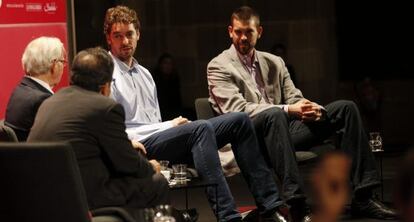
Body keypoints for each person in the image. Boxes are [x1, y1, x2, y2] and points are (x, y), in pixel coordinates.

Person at [207, 5, 397, 220]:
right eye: (238, 32)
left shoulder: (274, 62)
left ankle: (364, 197)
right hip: (249, 142)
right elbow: (238, 111)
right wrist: (289, 109)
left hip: (282, 133)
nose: (243, 37)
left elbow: (293, 97)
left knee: (345, 108)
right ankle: (297, 204)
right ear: (230, 31)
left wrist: (310, 108)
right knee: (275, 114)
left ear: (259, 32)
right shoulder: (219, 66)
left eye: (248, 32)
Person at [105, 5, 287, 222]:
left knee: (239, 120)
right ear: (108, 38)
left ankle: (270, 206)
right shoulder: (106, 74)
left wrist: (170, 128)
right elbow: (118, 131)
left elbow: (154, 121)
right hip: (137, 147)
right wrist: (170, 126)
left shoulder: (145, 74)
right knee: (199, 128)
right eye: (118, 36)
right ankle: (229, 217)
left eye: (129, 34)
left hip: (158, 139)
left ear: (138, 35)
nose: (125, 41)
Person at [27, 47, 170, 221]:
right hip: (85, 197)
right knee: (157, 183)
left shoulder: (49, 102)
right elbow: (129, 164)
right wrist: (151, 167)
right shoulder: (104, 107)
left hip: (43, 197)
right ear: (105, 87)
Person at [5, 36, 66, 141]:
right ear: (54, 65)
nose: (64, 66)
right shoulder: (44, 100)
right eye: (62, 61)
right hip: (33, 156)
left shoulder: (20, 90)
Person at [152, 53, 184, 120]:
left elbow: (177, 99)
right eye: (165, 63)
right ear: (160, 65)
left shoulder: (174, 79)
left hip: (173, 111)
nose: (168, 66)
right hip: (159, 112)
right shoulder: (154, 78)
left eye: (170, 64)